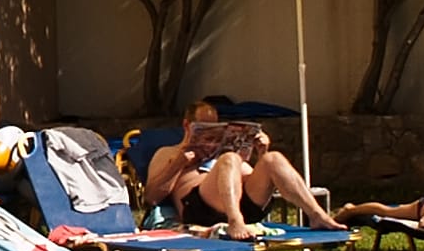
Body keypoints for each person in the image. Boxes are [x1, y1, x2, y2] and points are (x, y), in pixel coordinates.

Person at [142, 97, 339, 231]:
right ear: (187, 125)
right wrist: (178, 164)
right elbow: (151, 197)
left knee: (274, 158)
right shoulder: (168, 152)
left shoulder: (226, 151)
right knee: (230, 158)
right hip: (199, 210)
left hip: (243, 203)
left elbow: (252, 178)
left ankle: (317, 215)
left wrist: (262, 153)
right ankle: (234, 221)